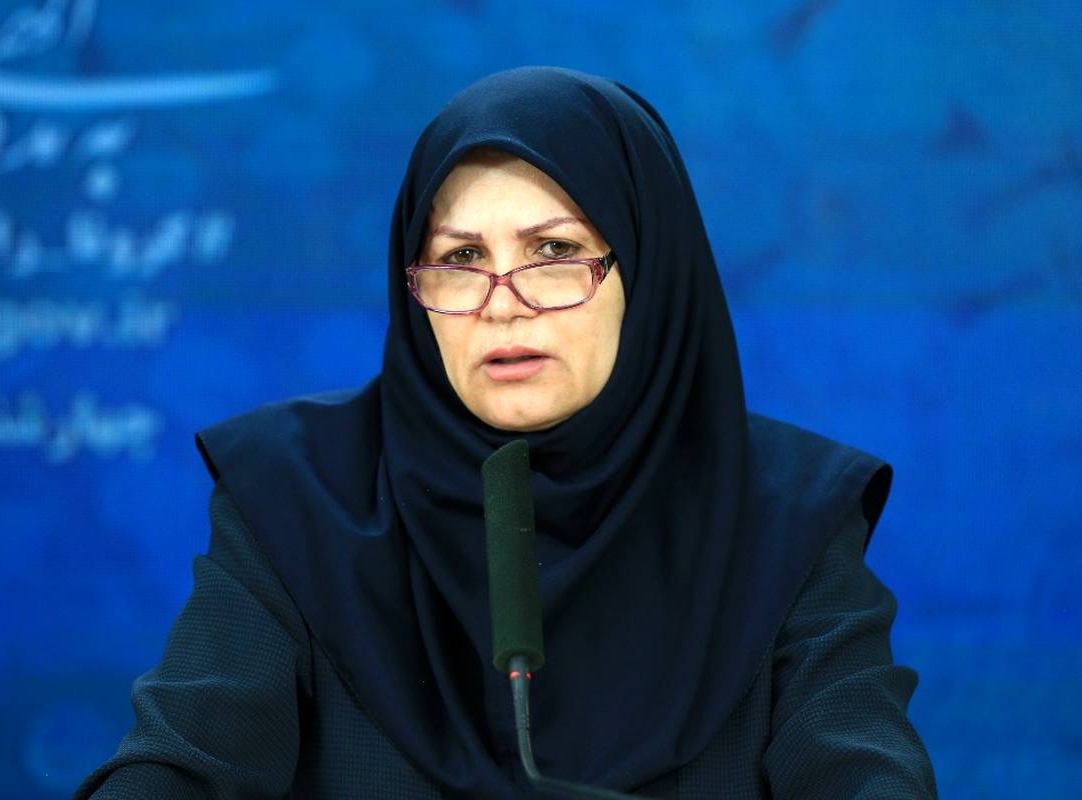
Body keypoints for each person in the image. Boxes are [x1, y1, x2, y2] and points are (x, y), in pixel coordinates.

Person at [75, 67, 937, 799]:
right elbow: (180, 765)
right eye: (460, 259)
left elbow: (863, 774)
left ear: (647, 270)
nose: (502, 303)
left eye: (553, 252)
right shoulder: (299, 495)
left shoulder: (788, 516)